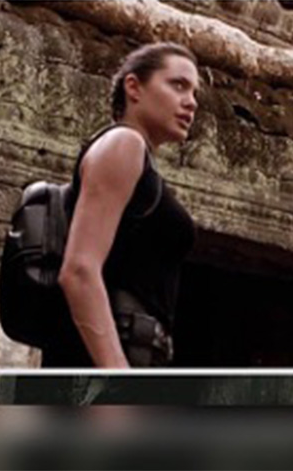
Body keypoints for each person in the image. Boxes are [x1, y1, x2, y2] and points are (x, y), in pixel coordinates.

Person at [41, 41, 199, 369]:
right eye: (178, 85)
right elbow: (79, 270)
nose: (191, 102)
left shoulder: (135, 156)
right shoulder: (124, 144)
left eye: (194, 92)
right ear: (134, 87)